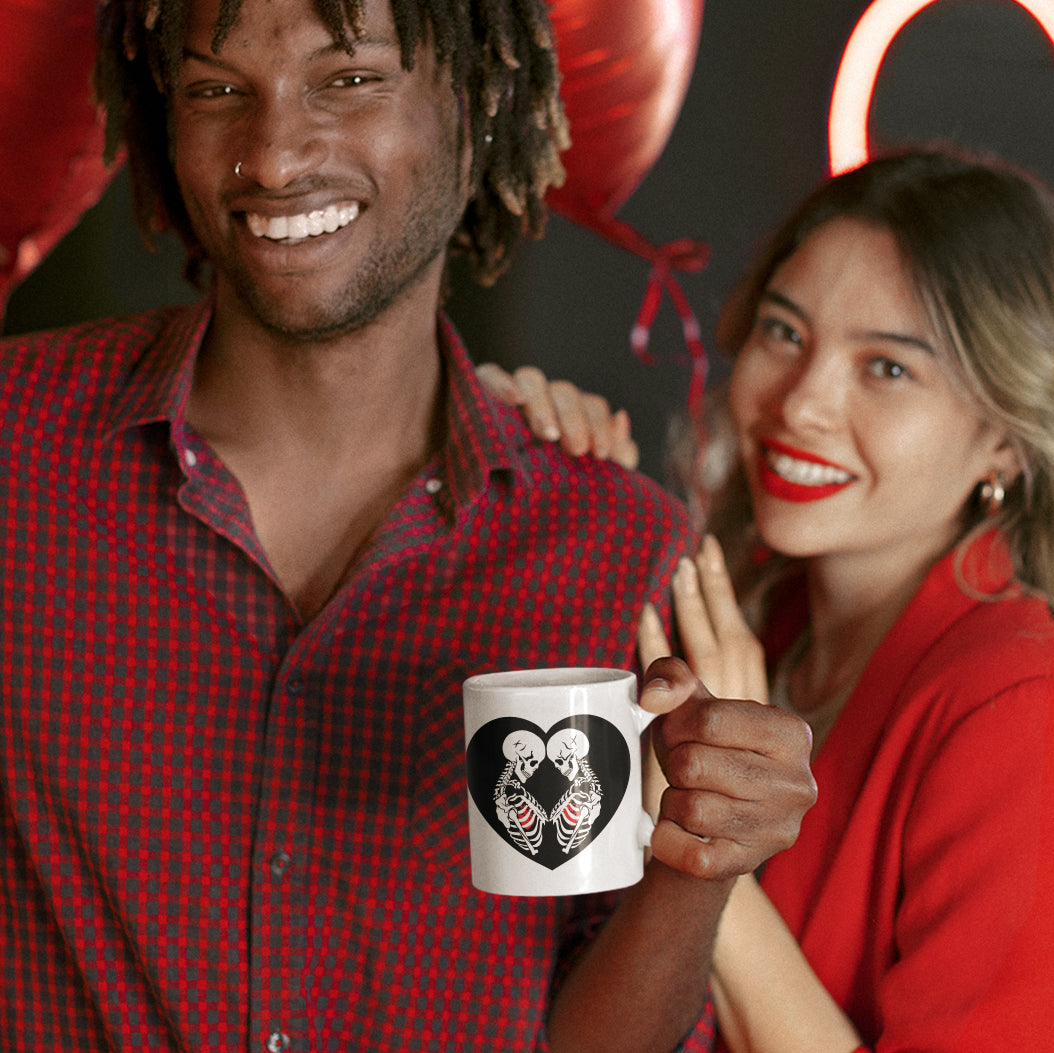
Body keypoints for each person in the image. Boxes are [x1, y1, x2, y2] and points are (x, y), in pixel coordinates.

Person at [0, 0, 819, 1051]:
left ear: (483, 101)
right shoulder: (21, 456)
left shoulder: (610, 551)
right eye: (215, 89)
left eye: (348, 79)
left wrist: (692, 873)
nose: (276, 154)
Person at [483, 145, 1054, 1052]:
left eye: (889, 369)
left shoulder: (1020, 706)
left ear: (1005, 441)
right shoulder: (745, 621)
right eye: (785, 333)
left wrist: (707, 839)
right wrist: (504, 449)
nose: (803, 404)